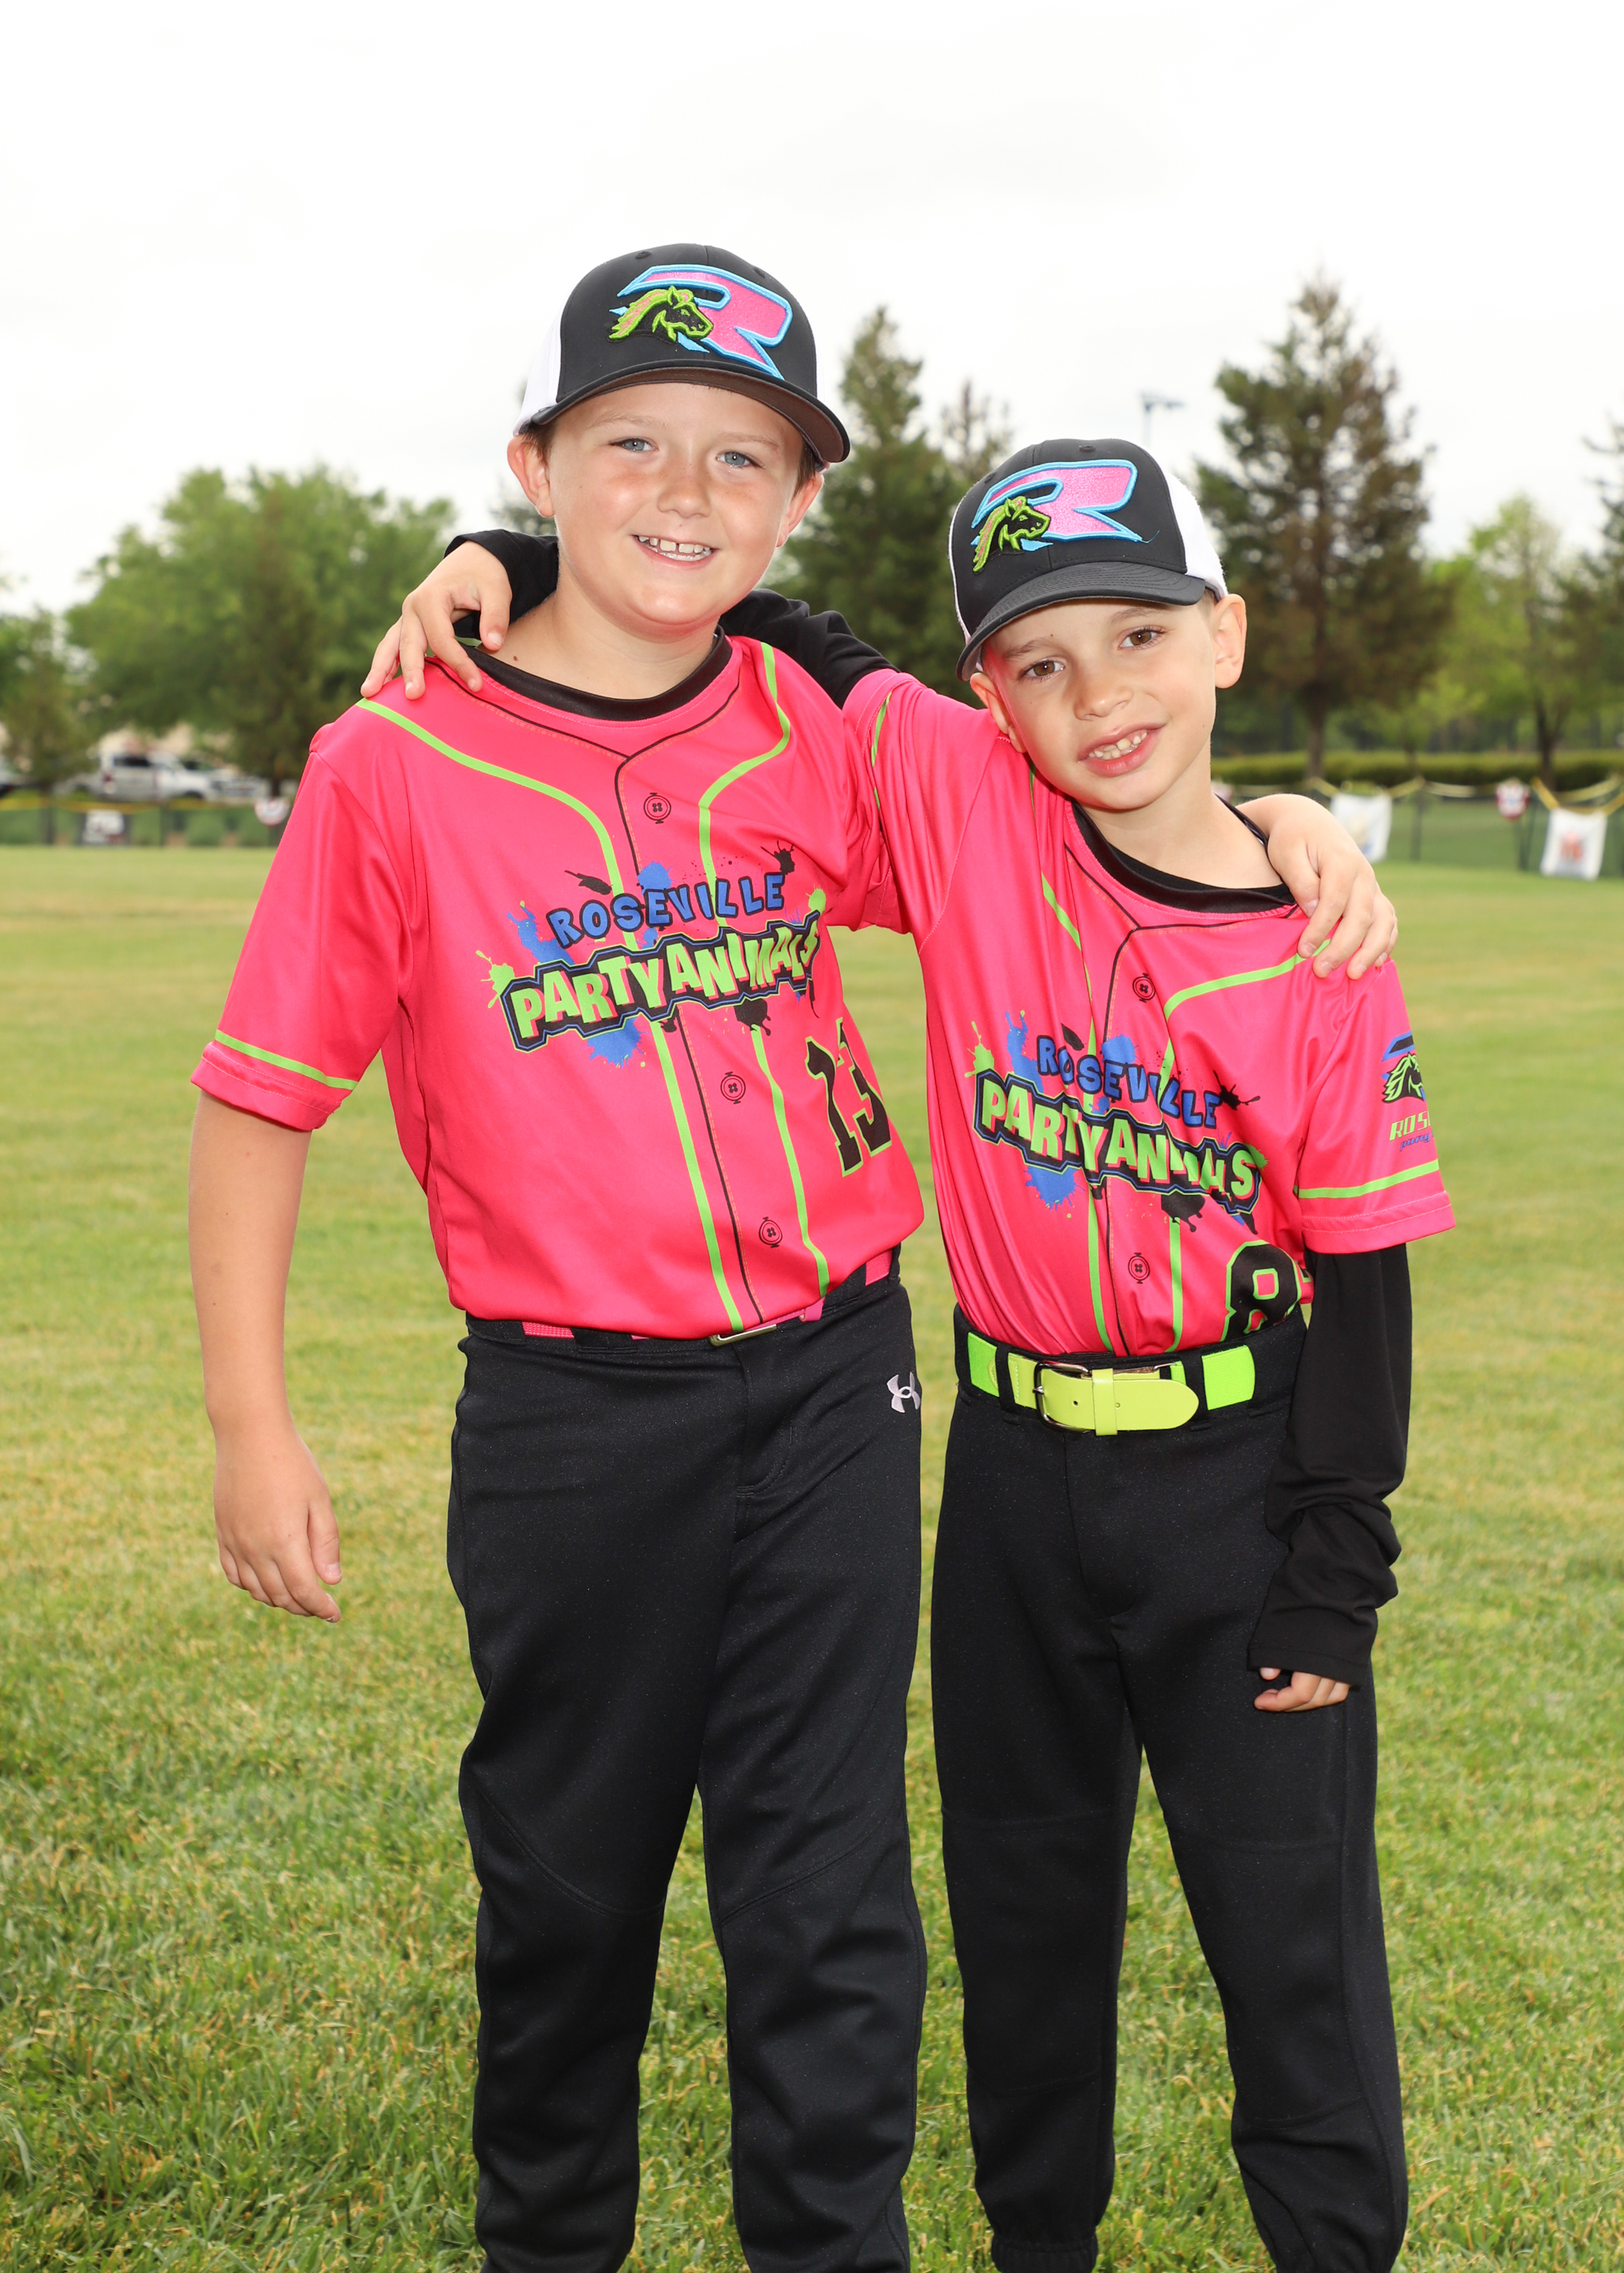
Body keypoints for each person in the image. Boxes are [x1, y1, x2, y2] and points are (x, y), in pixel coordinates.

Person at [388, 437, 1441, 2273]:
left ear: (1222, 633)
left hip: (1239, 1482)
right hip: (1013, 1474)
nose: (1096, 695)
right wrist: (509, 555)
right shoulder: (963, 800)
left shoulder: (1318, 937)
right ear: (984, 696)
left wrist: (1330, 1565)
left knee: (1289, 1942)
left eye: (1137, 636)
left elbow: (1362, 1273)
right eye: (1038, 661)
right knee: (1023, 1926)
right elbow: (757, 609)